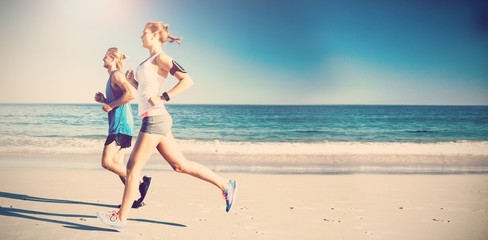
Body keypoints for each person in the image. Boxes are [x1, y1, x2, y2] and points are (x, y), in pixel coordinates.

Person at [97, 22, 237, 231]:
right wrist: (133, 83)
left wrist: (164, 97)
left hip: (155, 118)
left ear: (154, 35)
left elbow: (187, 80)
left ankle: (120, 218)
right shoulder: (147, 61)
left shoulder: (161, 58)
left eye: (144, 33)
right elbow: (145, 92)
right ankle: (226, 185)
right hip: (154, 117)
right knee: (180, 165)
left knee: (133, 168)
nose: (141, 36)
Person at [94, 47, 152, 209]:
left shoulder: (117, 75)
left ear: (112, 58)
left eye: (105, 57)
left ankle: (141, 180)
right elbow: (121, 98)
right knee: (118, 163)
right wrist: (104, 100)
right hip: (123, 123)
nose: (102, 59)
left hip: (120, 124)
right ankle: (133, 199)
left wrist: (110, 105)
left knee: (107, 162)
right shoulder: (113, 77)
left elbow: (130, 95)